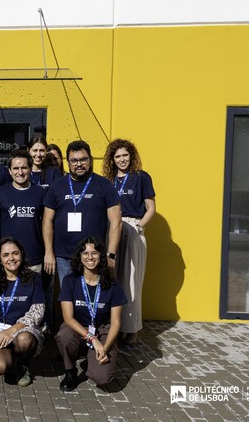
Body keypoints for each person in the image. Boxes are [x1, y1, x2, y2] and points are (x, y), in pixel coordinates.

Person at [42, 140, 122, 286]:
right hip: (64, 257)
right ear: (68, 162)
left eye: (83, 159)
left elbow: (116, 222)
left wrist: (111, 255)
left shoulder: (104, 185)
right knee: (68, 301)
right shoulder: (57, 186)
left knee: (93, 301)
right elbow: (47, 220)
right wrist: (49, 252)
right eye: (74, 160)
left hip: (95, 257)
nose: (79, 164)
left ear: (90, 160)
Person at [103, 139, 155, 344]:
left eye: (125, 155)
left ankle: (132, 329)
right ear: (112, 160)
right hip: (112, 228)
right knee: (112, 278)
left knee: (132, 281)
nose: (122, 159)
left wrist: (140, 226)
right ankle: (114, 326)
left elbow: (151, 208)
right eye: (117, 156)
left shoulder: (141, 177)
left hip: (133, 227)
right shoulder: (108, 180)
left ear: (131, 156)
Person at [57, 237, 127, 391]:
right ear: (79, 257)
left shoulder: (112, 284)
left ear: (101, 256)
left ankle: (93, 358)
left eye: (94, 253)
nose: (90, 257)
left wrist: (105, 348)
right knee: (64, 336)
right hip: (78, 328)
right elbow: (68, 318)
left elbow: (116, 323)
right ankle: (70, 371)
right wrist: (92, 339)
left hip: (103, 329)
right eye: (85, 253)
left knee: (102, 378)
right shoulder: (70, 281)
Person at [0, 150, 52, 329]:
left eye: (24, 167)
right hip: (7, 260)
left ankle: (34, 336)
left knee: (32, 301)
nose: (20, 172)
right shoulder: (0, 193)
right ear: (9, 171)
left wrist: (49, 252)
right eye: (16, 168)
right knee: (11, 299)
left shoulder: (40, 193)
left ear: (30, 168)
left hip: (33, 258)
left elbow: (48, 224)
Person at [0, 238, 45, 387]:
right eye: (6, 255)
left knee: (25, 340)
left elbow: (37, 311)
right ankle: (11, 362)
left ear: (22, 255)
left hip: (23, 328)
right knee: (0, 366)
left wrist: (11, 330)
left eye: (15, 253)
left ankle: (23, 365)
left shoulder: (34, 279)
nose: (11, 258)